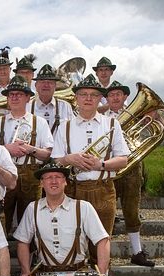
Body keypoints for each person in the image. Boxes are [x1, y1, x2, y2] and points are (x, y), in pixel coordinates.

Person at [51, 74, 129, 262]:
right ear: (76, 98)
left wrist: (100, 164)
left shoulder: (112, 124)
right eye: (83, 94)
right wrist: (71, 158)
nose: (88, 98)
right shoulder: (64, 127)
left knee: (101, 243)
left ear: (99, 99)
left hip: (103, 188)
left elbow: (123, 160)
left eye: (93, 95)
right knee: (73, 243)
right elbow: (55, 162)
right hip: (73, 190)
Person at [0, 76, 53, 235]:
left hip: (32, 175)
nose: (14, 97)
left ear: (28, 97)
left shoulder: (40, 122)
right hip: (4, 174)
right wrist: (7, 149)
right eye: (11, 94)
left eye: (19, 94)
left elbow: (48, 155)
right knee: (1, 222)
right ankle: (2, 257)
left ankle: (30, 257)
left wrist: (30, 149)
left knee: (31, 221)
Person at [104, 81, 154, 267]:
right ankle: (103, 255)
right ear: (107, 98)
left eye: (119, 94)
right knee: (106, 209)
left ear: (125, 97)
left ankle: (137, 251)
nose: (115, 97)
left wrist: (153, 117)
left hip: (131, 167)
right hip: (109, 167)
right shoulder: (102, 118)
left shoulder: (136, 114)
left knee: (132, 210)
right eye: (111, 95)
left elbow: (151, 132)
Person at [30, 64, 75, 134]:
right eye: (42, 82)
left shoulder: (66, 107)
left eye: (50, 82)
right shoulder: (27, 107)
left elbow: (73, 132)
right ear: (36, 86)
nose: (46, 85)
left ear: (55, 86)